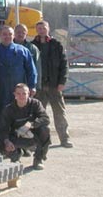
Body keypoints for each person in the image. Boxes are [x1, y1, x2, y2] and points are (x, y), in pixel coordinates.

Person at [32, 20, 73, 148]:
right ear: (36, 30)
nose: (41, 30)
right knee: (37, 115)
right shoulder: (32, 46)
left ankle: (64, 139)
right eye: (39, 28)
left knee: (60, 113)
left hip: (54, 85)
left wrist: (62, 81)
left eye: (43, 28)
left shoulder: (57, 45)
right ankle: (37, 140)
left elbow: (64, 65)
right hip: (39, 87)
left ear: (48, 29)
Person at [0, 83, 51, 170]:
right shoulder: (8, 109)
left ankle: (38, 159)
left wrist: (31, 125)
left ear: (28, 94)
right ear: (14, 94)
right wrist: (7, 141)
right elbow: (3, 128)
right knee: (0, 139)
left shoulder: (35, 104)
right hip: (17, 137)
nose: (21, 96)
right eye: (18, 94)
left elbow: (45, 118)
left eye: (24, 93)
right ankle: (15, 157)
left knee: (45, 130)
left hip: (33, 136)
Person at [0, 25, 37, 123]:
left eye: (10, 34)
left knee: (20, 114)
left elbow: (31, 70)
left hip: (19, 90)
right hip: (0, 90)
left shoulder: (23, 51)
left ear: (13, 36)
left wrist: (32, 86)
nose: (7, 36)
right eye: (4, 34)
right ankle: (0, 132)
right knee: (1, 115)